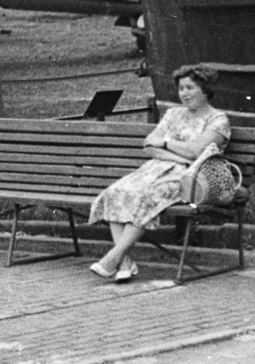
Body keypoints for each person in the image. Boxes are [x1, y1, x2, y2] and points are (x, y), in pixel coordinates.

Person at [88, 64, 231, 282]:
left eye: (190, 87)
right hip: (157, 168)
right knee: (116, 192)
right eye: (181, 88)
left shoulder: (218, 120)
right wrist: (178, 155)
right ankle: (125, 263)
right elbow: (149, 145)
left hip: (190, 177)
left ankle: (112, 258)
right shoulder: (173, 114)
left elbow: (195, 151)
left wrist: (165, 143)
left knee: (145, 196)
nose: (184, 93)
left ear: (205, 89)